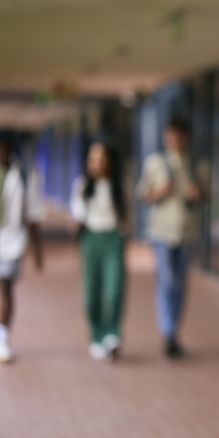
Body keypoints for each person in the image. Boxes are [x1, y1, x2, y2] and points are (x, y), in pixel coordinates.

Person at [0, 130, 44, 363]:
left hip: (11, 241)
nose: (2, 152)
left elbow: (32, 213)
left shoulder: (23, 174)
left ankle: (2, 337)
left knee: (6, 286)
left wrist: (37, 250)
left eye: (7, 148)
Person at [135, 119, 205, 358]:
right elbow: (143, 194)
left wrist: (198, 194)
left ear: (187, 138)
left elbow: (207, 195)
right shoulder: (155, 163)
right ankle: (168, 333)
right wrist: (161, 192)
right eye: (170, 137)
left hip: (187, 232)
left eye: (178, 137)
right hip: (161, 232)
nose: (174, 142)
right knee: (168, 278)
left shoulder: (197, 165)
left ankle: (173, 331)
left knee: (180, 282)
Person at [71, 140, 127, 362]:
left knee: (114, 289)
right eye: (92, 159)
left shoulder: (120, 186)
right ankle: (96, 336)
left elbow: (128, 214)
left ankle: (112, 334)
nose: (96, 163)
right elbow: (77, 214)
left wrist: (124, 231)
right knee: (91, 293)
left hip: (113, 238)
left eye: (101, 158)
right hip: (91, 239)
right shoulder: (83, 185)